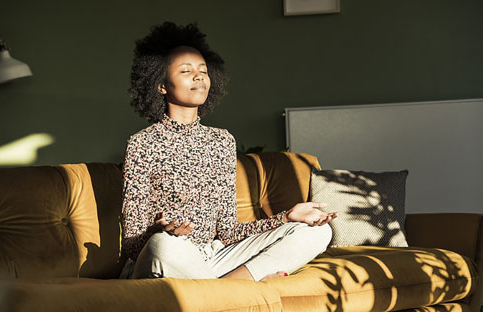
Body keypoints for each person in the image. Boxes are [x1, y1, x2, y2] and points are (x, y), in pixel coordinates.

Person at [120, 22, 337, 281]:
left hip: (213, 259)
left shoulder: (221, 141)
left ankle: (233, 286)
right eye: (186, 71)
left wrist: (287, 216)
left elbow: (228, 232)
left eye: (203, 70)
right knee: (163, 245)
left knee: (317, 232)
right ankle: (237, 291)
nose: (199, 76)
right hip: (166, 258)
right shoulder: (142, 144)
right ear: (161, 85)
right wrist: (160, 230)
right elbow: (133, 244)